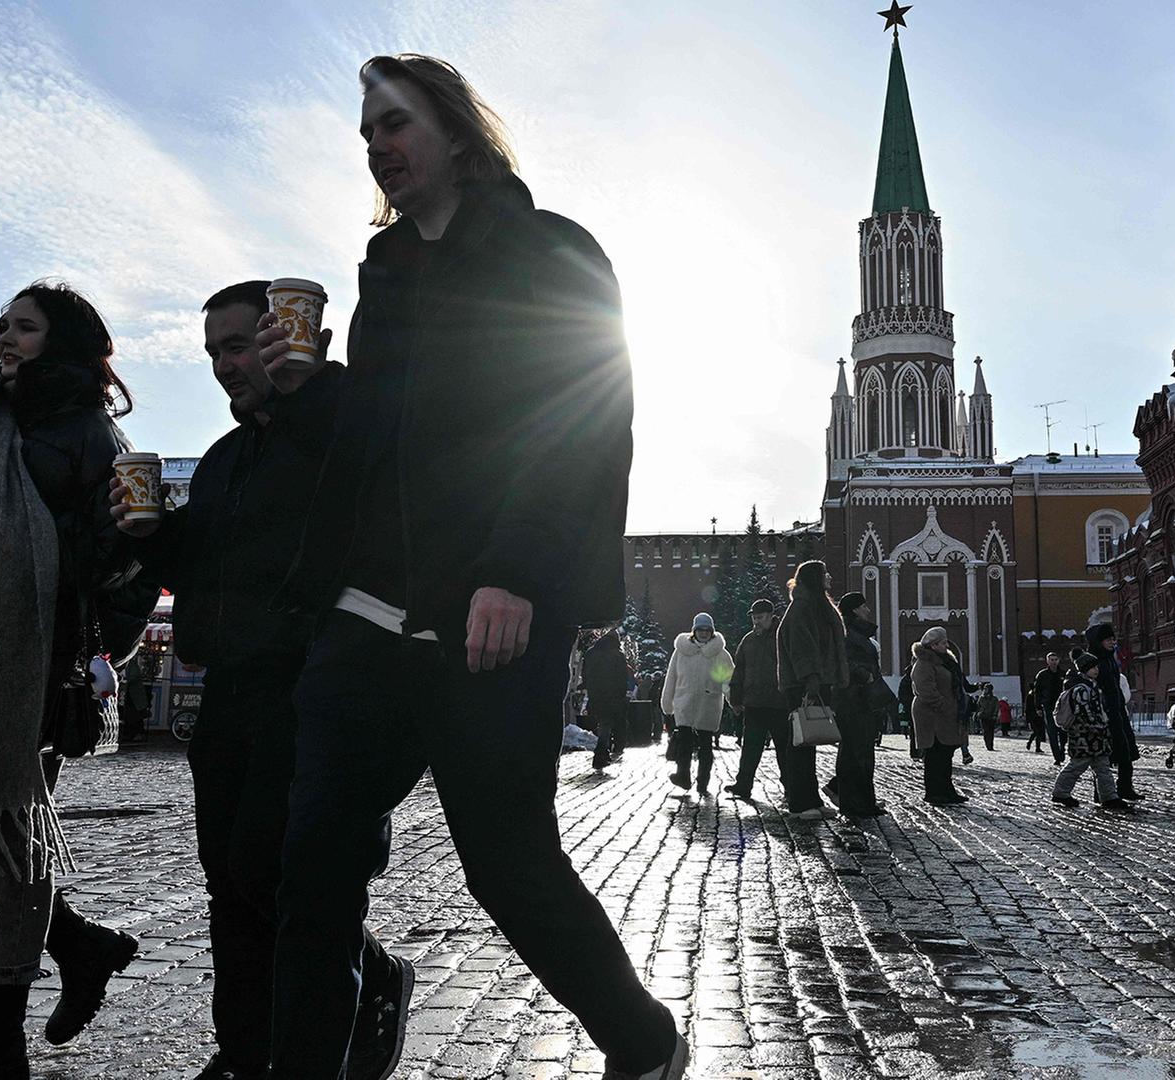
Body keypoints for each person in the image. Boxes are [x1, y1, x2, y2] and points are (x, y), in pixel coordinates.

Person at [261, 54, 684, 1080]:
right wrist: (305, 391)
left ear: (457, 132)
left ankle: (644, 1044)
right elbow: (380, 437)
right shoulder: (387, 280)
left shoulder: (550, 251)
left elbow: (581, 415)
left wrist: (515, 570)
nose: (379, 147)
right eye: (367, 134)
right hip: (369, 618)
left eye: (396, 123)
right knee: (308, 856)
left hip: (489, 615)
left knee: (508, 865)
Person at [111, 279, 408, 1080]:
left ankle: (354, 994)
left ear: (283, 335)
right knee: (229, 882)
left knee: (284, 874)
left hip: (319, 676)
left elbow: (376, 502)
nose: (223, 366)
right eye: (212, 352)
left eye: (236, 345)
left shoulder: (345, 418)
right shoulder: (222, 460)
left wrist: (308, 391)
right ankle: (244, 1053)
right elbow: (207, 569)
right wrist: (152, 537)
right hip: (232, 686)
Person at [0, 282, 159, 1079]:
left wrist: (17, 528)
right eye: (2, 325)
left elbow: (122, 557)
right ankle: (80, 943)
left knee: (11, 837)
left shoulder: (89, 432)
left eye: (26, 326)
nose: (6, 336)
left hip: (38, 660)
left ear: (66, 340)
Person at [775, 561, 856, 813]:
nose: (829, 577)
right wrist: (810, 679)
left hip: (816, 681)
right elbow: (802, 647)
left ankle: (811, 799)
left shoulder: (813, 606)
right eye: (824, 574)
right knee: (800, 742)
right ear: (814, 579)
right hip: (803, 684)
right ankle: (800, 802)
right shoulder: (802, 608)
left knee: (807, 743)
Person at [727, 598, 820, 813]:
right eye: (754, 618)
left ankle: (789, 787)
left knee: (784, 749)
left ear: (771, 616)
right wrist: (736, 697)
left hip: (780, 703)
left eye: (760, 617)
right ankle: (743, 785)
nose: (756, 621)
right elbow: (739, 669)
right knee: (750, 747)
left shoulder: (781, 637)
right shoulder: (748, 640)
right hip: (755, 703)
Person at [662, 613, 733, 796]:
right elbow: (672, 678)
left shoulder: (720, 654)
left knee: (705, 744)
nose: (703, 633)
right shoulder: (681, 651)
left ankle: (703, 781)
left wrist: (734, 701)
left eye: (707, 630)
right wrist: (667, 702)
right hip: (684, 702)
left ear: (712, 631)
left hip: (708, 703)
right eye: (700, 629)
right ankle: (683, 775)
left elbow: (727, 680)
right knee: (684, 742)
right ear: (694, 631)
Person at [1049, 651, 1129, 811]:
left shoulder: (1091, 686)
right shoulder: (1081, 689)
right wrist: (1099, 727)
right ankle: (1060, 793)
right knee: (1076, 766)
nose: (1096, 670)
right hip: (1084, 737)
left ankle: (1109, 797)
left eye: (1096, 666)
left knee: (1102, 767)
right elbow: (1085, 713)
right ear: (1084, 669)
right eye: (1092, 667)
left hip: (1095, 737)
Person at [835, 590, 890, 816]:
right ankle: (853, 802)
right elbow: (845, 662)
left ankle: (865, 801)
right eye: (864, 606)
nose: (868, 609)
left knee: (863, 752)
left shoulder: (858, 633)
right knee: (855, 753)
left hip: (863, 701)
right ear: (856, 610)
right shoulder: (848, 633)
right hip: (854, 701)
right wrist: (864, 675)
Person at [909, 627, 969, 806]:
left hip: (946, 713)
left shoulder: (945, 661)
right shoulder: (924, 662)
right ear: (933, 645)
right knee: (935, 753)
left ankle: (946, 790)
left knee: (946, 752)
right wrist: (943, 705)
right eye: (943, 642)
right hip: (932, 714)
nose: (946, 645)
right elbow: (925, 689)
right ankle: (934, 792)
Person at [1084, 623, 1140, 800]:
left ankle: (1125, 787)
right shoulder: (1093, 661)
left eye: (1113, 639)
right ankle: (1101, 792)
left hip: (1118, 711)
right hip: (1104, 714)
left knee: (1126, 752)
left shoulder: (1109, 659)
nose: (1112, 642)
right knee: (1103, 756)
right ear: (1099, 641)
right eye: (1108, 639)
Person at [582, 630, 632, 772]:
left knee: (602, 722)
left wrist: (589, 687)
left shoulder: (591, 652)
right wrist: (622, 694)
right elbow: (622, 678)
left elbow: (585, 673)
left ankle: (603, 753)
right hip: (612, 696)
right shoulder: (618, 655)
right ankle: (600, 753)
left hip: (595, 694)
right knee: (606, 723)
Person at [1031, 652, 1064, 761]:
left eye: (1055, 659)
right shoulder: (1042, 675)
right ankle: (1057, 756)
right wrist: (1038, 707)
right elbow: (1037, 692)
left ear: (1058, 660)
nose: (1054, 662)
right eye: (1051, 660)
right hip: (1048, 706)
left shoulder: (1063, 674)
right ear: (1047, 661)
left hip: (1062, 706)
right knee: (1052, 731)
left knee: (1063, 731)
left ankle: (1062, 749)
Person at [976, 684, 999, 752]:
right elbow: (978, 706)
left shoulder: (994, 699)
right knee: (985, 732)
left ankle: (991, 745)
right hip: (983, 717)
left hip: (991, 717)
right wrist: (979, 713)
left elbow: (996, 707)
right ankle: (987, 745)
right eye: (984, 689)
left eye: (986, 689)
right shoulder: (981, 698)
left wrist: (995, 715)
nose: (985, 690)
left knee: (991, 732)